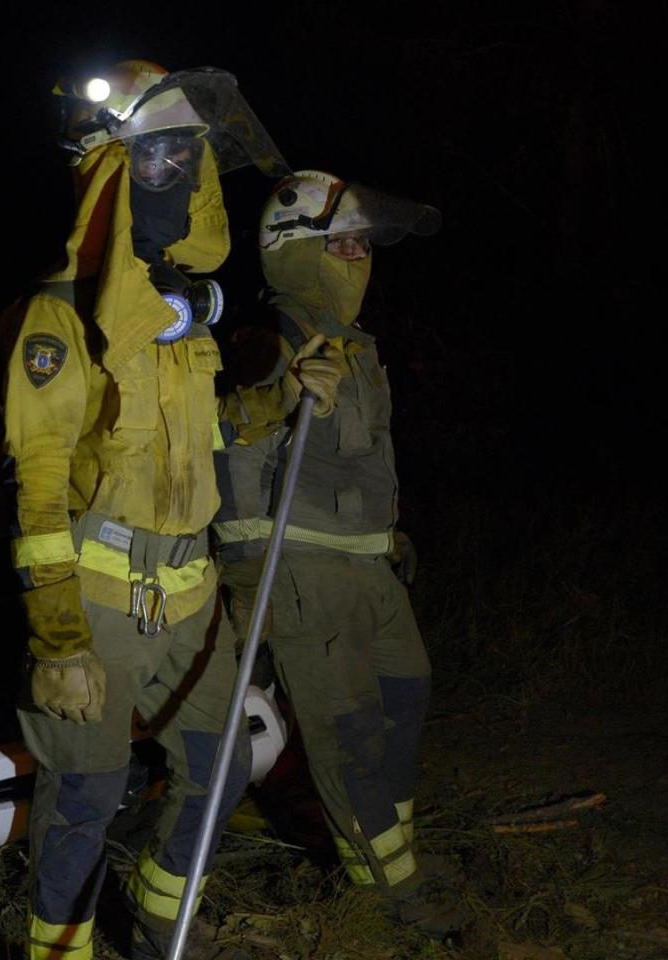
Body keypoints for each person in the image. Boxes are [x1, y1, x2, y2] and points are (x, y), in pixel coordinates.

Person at [3, 60, 298, 960]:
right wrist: (59, 640)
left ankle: (162, 910)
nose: (175, 171)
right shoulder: (62, 315)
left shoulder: (179, 319)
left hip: (191, 597)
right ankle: (61, 951)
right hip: (99, 601)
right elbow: (38, 487)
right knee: (85, 797)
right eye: (155, 154)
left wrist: (284, 395)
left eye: (186, 155)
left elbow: (206, 438)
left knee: (223, 764)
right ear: (110, 167)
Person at [210, 169, 460, 934]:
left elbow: (363, 461)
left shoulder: (359, 347)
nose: (357, 256)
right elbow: (217, 434)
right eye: (341, 242)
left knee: (406, 694)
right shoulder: (270, 339)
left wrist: (390, 534)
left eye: (363, 244)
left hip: (364, 564)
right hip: (301, 570)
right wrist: (279, 396)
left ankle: (398, 850)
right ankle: (390, 897)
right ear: (292, 247)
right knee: (347, 732)